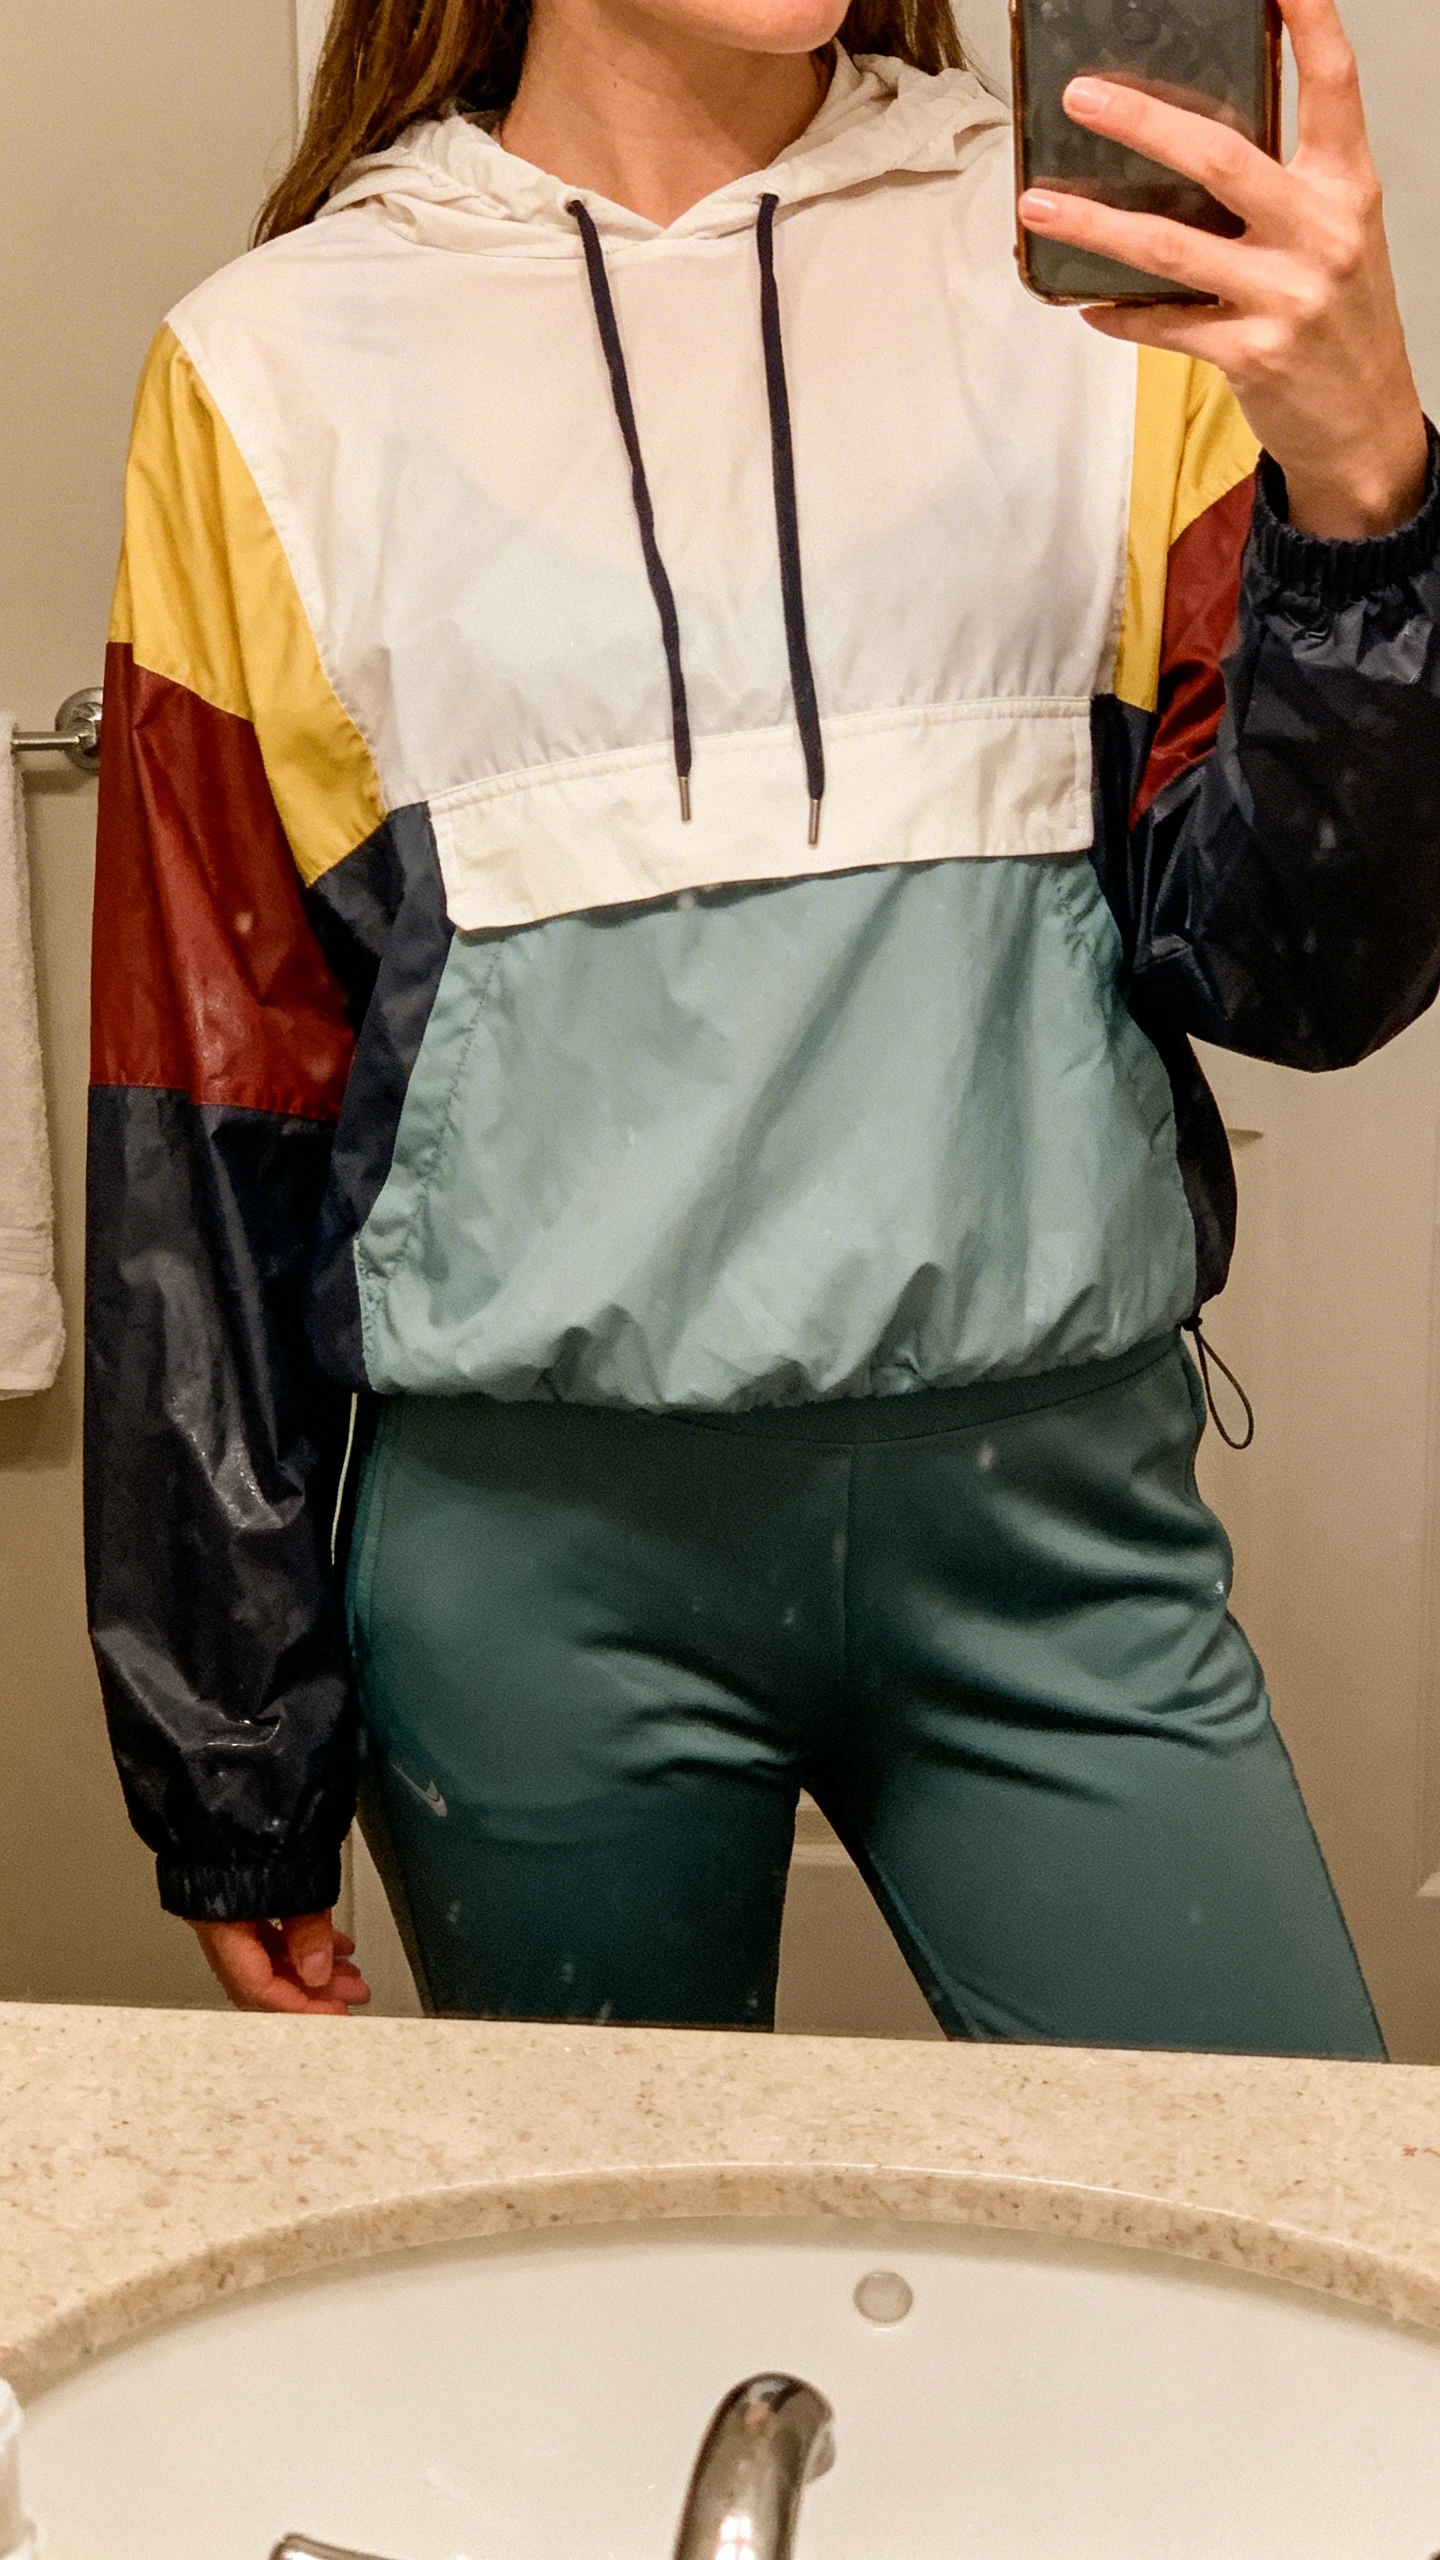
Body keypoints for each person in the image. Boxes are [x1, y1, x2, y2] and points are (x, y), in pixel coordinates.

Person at [86, 0, 1438, 2043]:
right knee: (614, 2312)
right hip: (535, 1583)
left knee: (1299, 2277)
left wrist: (1364, 485)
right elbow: (202, 1101)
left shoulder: (1105, 278)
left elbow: (1298, 981)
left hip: (1056, 1532)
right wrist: (232, 1765)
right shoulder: (272, 366)